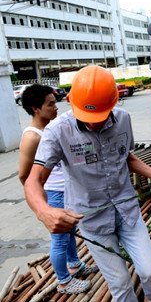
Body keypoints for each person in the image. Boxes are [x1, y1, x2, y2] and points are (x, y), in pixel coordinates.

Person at [24, 66, 151, 302]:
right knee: (120, 284)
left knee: (150, 271)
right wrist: (43, 211)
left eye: (101, 116)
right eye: (88, 119)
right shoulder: (57, 132)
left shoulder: (123, 119)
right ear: (70, 101)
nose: (95, 124)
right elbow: (33, 179)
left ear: (114, 103)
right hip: (92, 219)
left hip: (127, 212)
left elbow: (127, 157)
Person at [18, 84, 97, 294]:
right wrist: (40, 205)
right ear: (36, 108)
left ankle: (75, 264)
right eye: (51, 104)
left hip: (67, 190)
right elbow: (24, 176)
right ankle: (64, 281)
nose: (56, 108)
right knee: (60, 238)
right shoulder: (32, 136)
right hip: (55, 192)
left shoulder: (51, 129)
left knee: (70, 232)